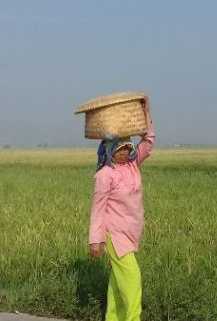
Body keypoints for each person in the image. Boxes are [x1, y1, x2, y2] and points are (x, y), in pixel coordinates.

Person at [88, 96, 154, 321]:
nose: (124, 152)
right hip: (114, 235)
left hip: (131, 232)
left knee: (117, 284)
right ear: (109, 151)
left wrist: (146, 113)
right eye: (119, 148)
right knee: (132, 279)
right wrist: (95, 240)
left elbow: (149, 140)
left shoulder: (133, 167)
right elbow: (97, 209)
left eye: (127, 147)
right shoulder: (105, 175)